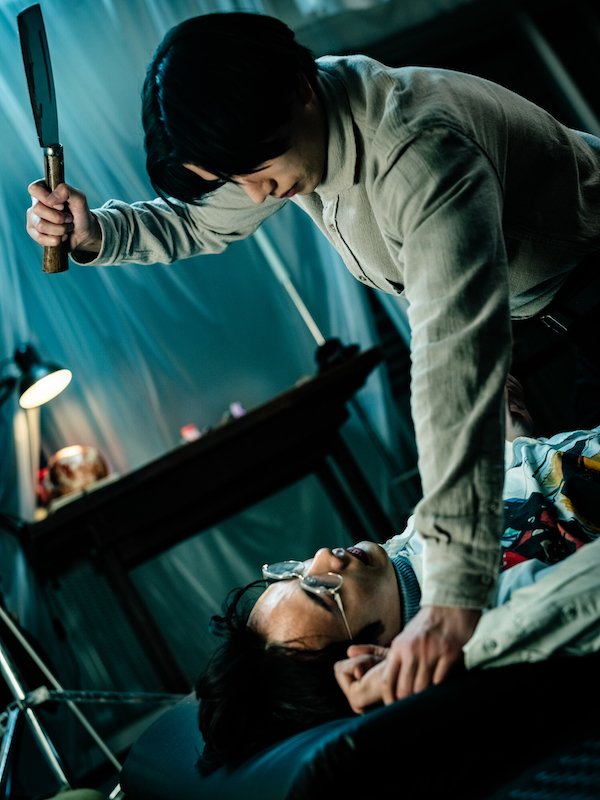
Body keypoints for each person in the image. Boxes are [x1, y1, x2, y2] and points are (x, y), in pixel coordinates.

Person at [25, 12, 600, 701]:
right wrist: (96, 233)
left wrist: (452, 601)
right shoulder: (292, 133)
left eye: (257, 171)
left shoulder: (419, 149)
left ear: (300, 89)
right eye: (233, 176)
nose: (256, 195)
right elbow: (200, 220)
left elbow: (453, 368)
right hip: (557, 312)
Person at [195, 380, 600, 771]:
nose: (322, 558)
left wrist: (508, 444)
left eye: (296, 573)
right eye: (323, 591)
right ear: (367, 661)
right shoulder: (485, 614)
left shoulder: (397, 562)